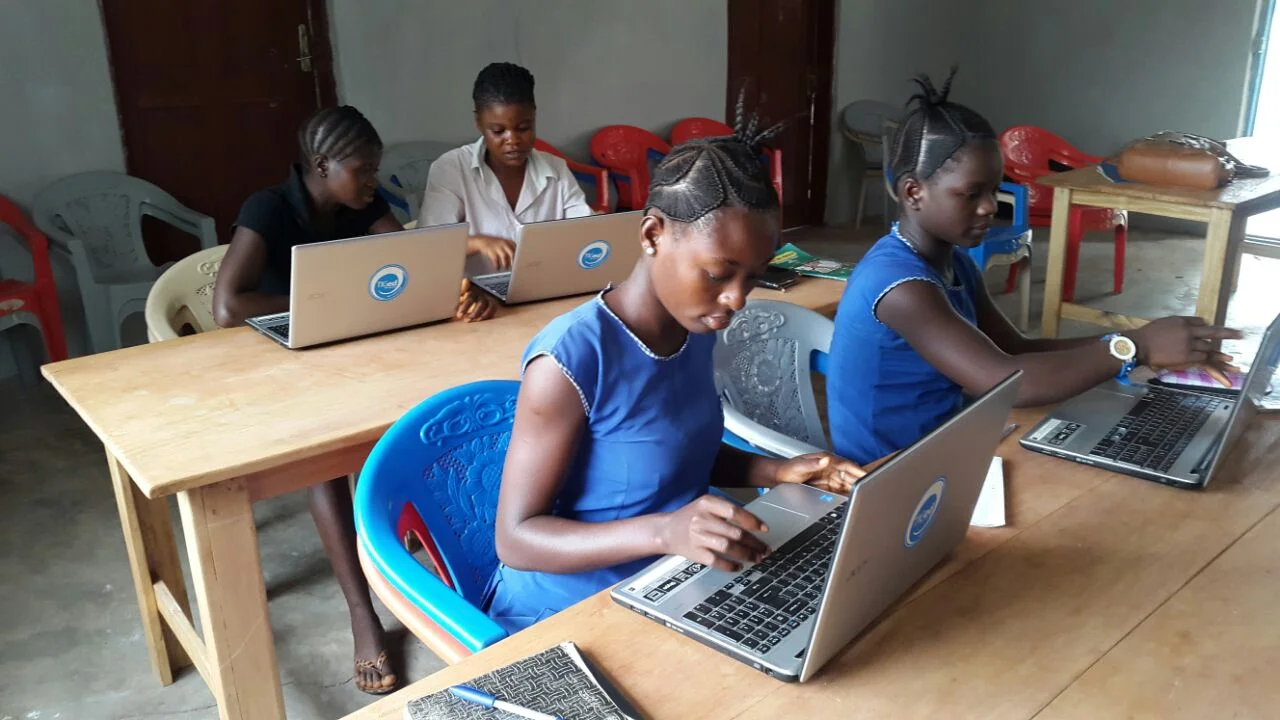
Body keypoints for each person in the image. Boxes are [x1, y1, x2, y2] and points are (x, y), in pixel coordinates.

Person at [487, 106, 865, 633]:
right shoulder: (570, 360)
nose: (736, 299)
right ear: (652, 235)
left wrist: (776, 471)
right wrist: (665, 532)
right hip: (569, 608)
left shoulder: (695, 326)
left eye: (753, 277)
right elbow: (516, 539)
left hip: (671, 578)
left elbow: (677, 453)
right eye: (717, 274)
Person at [212, 106, 495, 694]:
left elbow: (412, 263)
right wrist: (324, 299)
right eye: (363, 170)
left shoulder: (360, 204)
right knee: (329, 457)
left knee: (437, 413)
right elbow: (227, 305)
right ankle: (363, 614)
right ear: (322, 165)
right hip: (282, 361)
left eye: (374, 169)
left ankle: (452, 561)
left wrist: (463, 288)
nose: (373, 182)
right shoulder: (268, 208)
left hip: (350, 350)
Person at [826, 69, 1240, 466]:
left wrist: (1136, 345)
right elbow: (1009, 380)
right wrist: (1134, 347)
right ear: (914, 192)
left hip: (946, 443)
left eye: (993, 190)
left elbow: (1015, 349)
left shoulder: (953, 263)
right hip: (888, 471)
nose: (990, 207)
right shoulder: (900, 287)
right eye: (971, 194)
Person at [419, 62, 594, 277]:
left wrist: (598, 229)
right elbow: (429, 245)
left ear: (534, 116)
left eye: (523, 128)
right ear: (478, 122)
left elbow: (585, 232)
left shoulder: (556, 170)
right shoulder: (451, 170)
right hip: (475, 293)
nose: (512, 140)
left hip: (544, 286)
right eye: (498, 131)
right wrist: (476, 243)